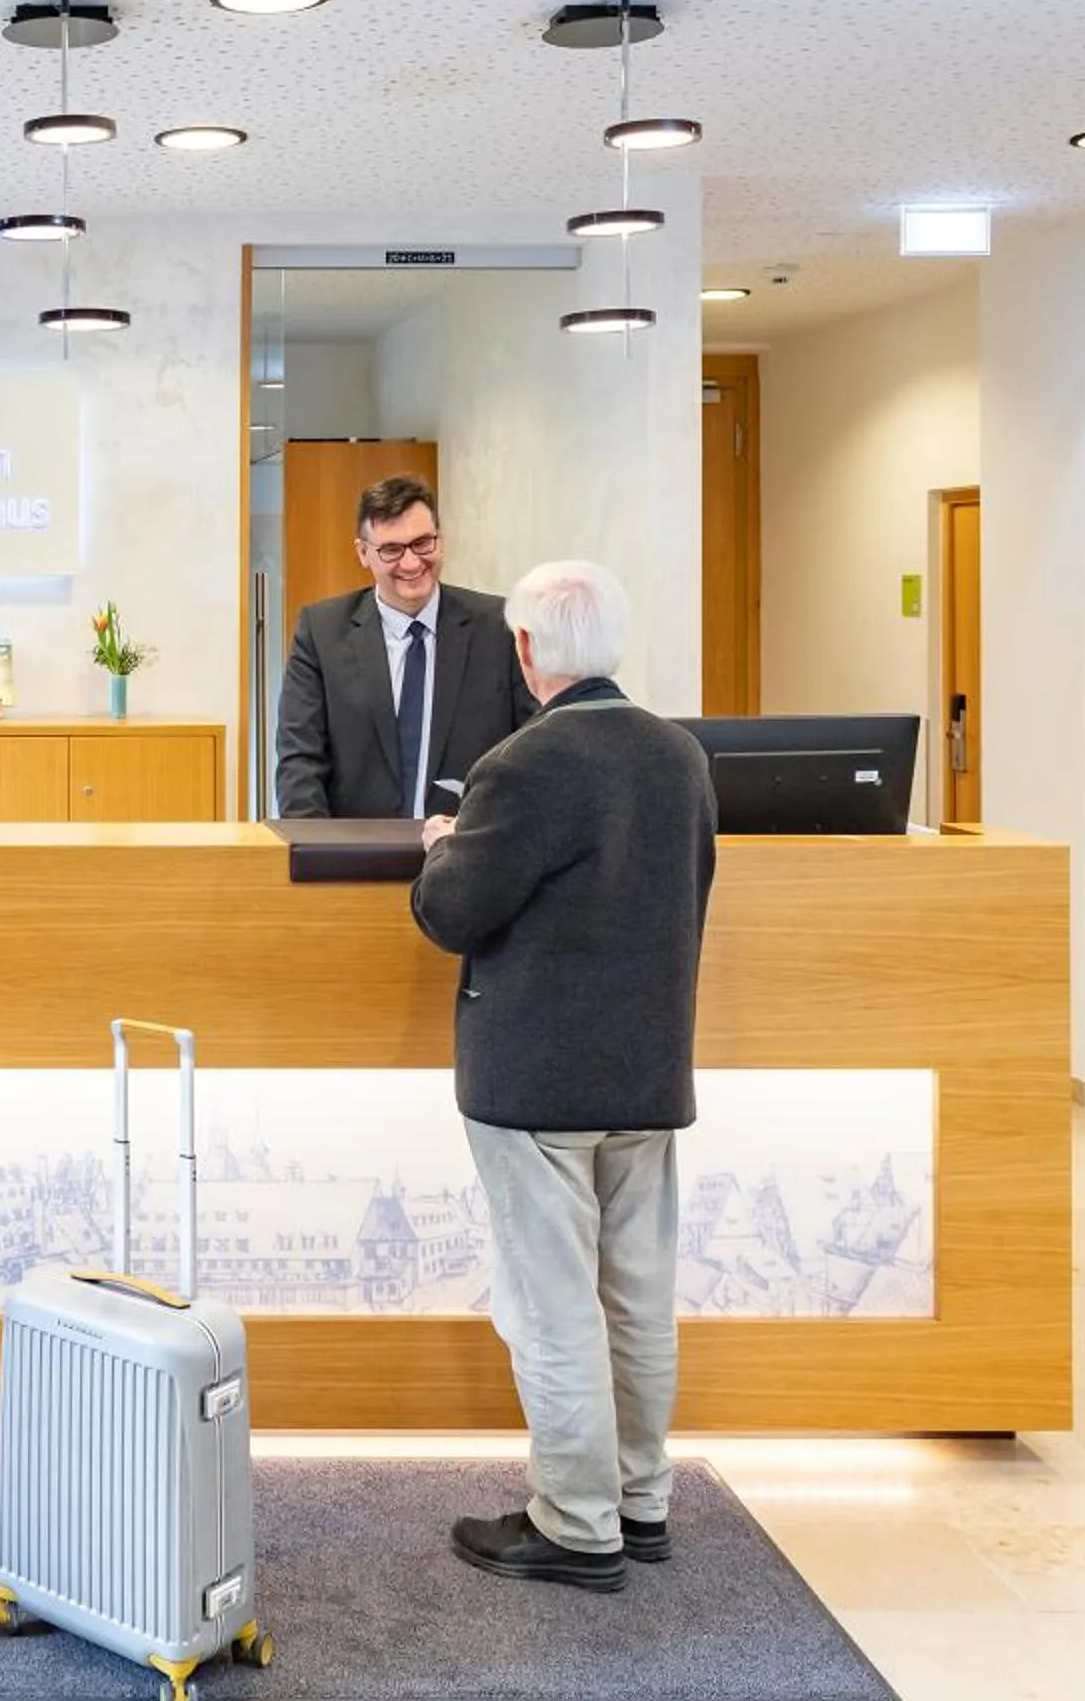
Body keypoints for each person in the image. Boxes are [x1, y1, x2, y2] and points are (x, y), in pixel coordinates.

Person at [408, 559, 716, 1594]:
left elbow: (452, 911)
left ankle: (576, 1523)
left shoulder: (523, 764)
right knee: (636, 1298)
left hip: (538, 1079)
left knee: (552, 1308)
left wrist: (444, 842)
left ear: (529, 648)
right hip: (647, 1072)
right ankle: (642, 1500)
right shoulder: (681, 756)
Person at [273, 474, 532, 820]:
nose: (411, 563)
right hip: (355, 860)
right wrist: (317, 859)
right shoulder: (322, 632)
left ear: (441, 541)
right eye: (391, 550)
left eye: (423, 543)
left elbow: (532, 750)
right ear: (363, 553)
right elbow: (300, 762)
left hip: (473, 856)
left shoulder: (500, 628)